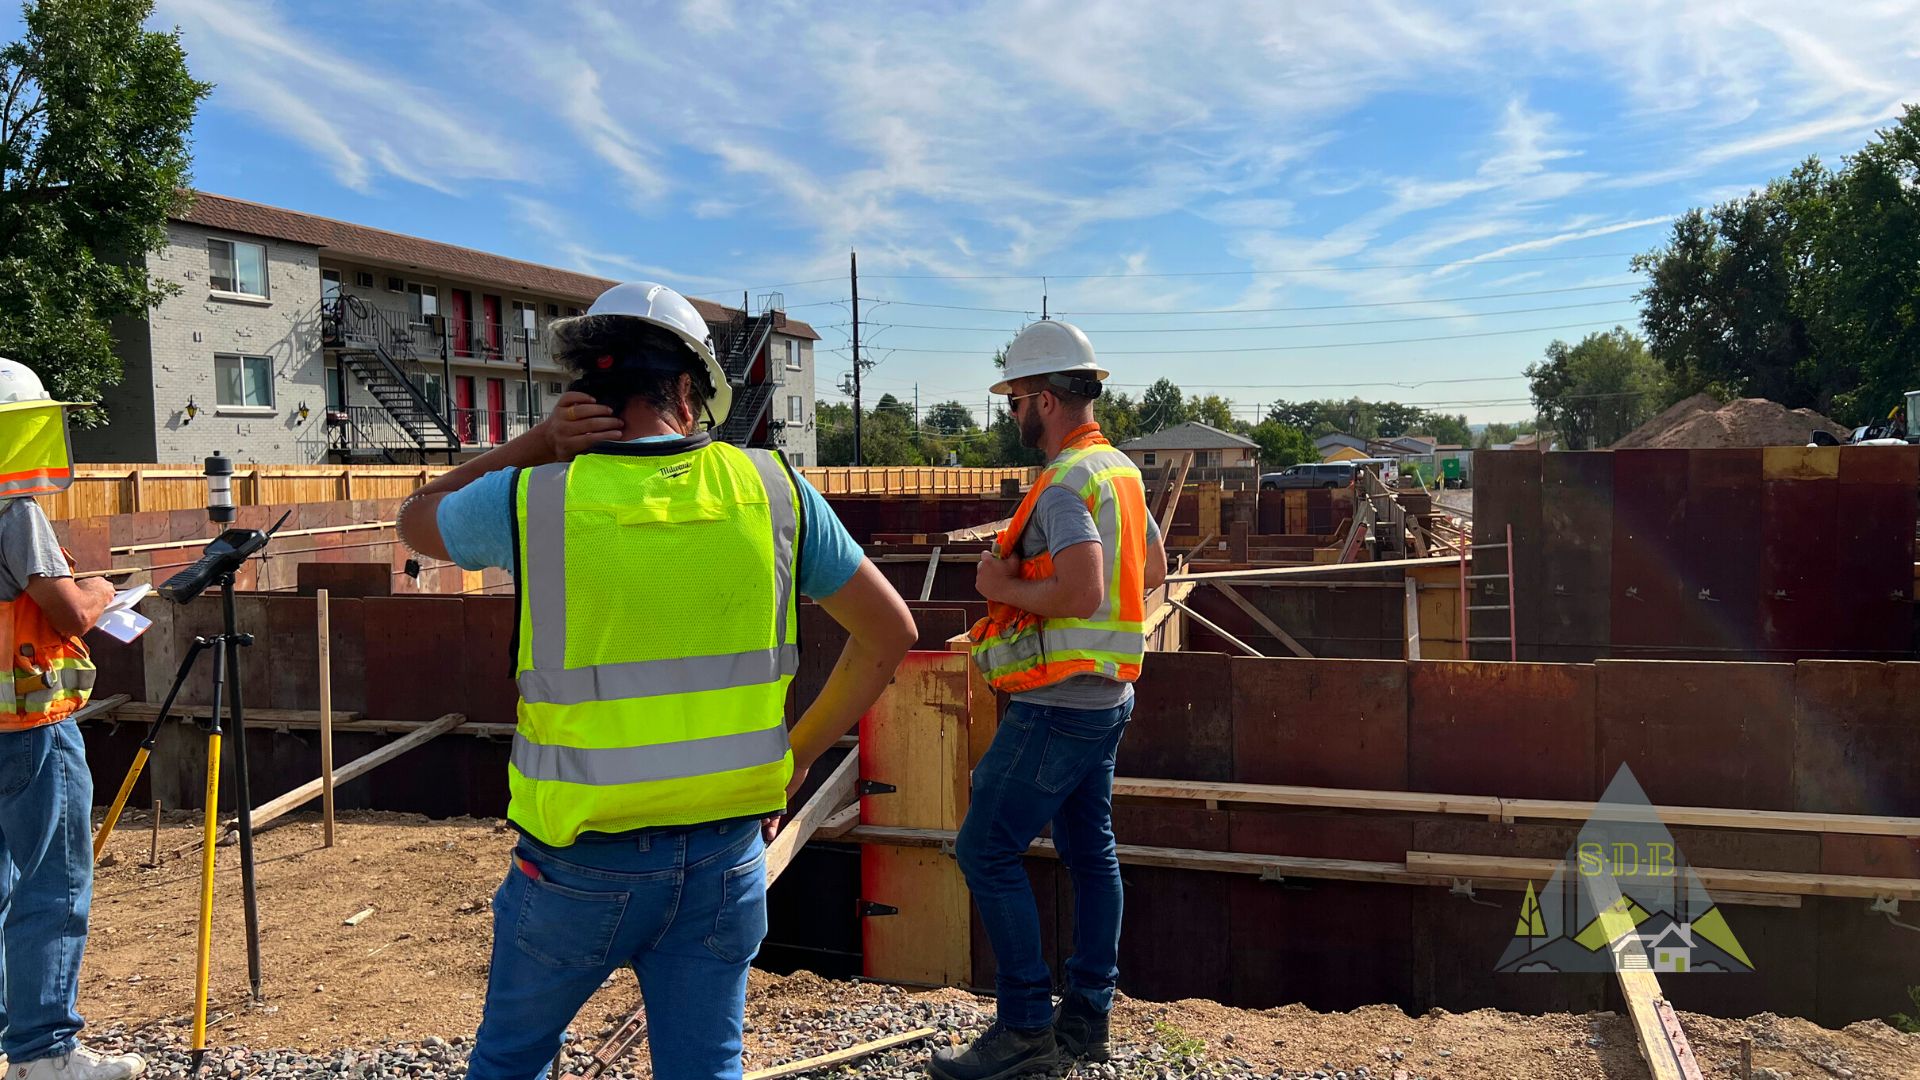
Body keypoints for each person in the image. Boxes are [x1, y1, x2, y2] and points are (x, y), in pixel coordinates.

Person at [397, 282, 916, 1080]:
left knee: (511, 1061)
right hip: (724, 859)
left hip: (575, 867)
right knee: (705, 1068)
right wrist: (798, 756)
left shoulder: (532, 497)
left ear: (583, 393)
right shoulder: (776, 492)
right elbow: (891, 634)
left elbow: (416, 515)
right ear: (686, 391)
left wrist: (532, 444)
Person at [935, 322, 1165, 1080]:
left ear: (1043, 400)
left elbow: (1086, 588)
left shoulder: (1068, 481)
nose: (1012, 416)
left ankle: (1027, 1026)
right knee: (1090, 852)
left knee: (984, 848)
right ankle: (1087, 1019)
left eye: (1013, 403)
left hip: (1059, 704)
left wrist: (1001, 584)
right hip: (1107, 697)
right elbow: (1153, 572)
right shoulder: (1120, 472)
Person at [0, 358, 144, 1080]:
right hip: (28, 727)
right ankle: (41, 1051)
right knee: (53, 885)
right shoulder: (15, 511)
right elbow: (70, 611)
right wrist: (98, 586)